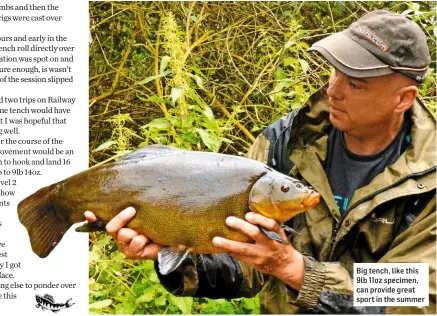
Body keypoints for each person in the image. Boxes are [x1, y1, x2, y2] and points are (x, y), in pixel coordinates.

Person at [85, 10, 436, 314]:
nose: (333, 90)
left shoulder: (429, 179)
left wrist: (295, 269)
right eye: (334, 72)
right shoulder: (288, 141)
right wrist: (173, 247)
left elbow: (416, 293)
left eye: (356, 84)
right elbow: (245, 264)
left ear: (402, 98)